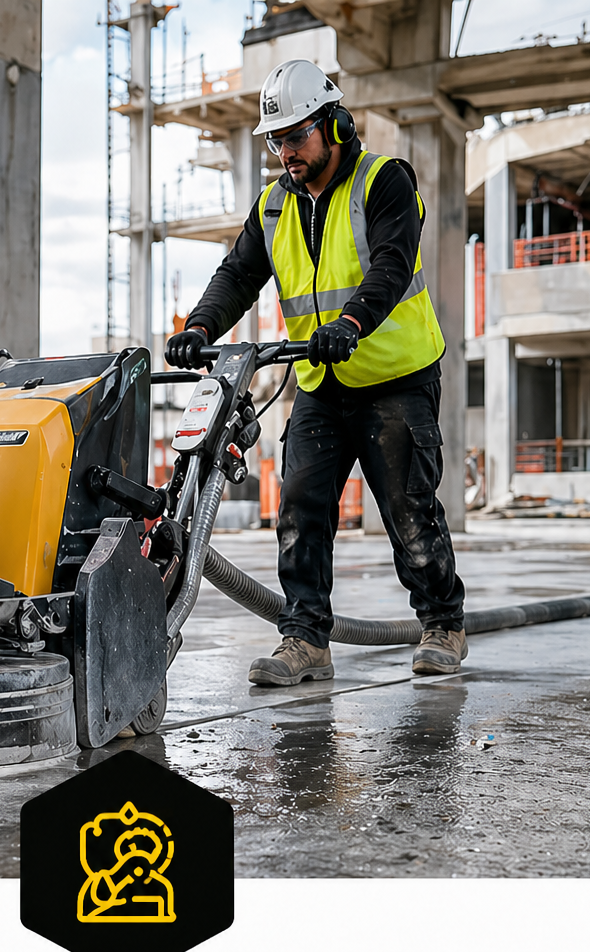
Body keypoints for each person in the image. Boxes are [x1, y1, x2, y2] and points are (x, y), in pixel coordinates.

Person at [165, 59, 467, 684]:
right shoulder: (274, 205)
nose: (284, 152)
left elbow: (390, 263)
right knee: (300, 506)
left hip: (394, 377)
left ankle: (443, 622)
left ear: (332, 124)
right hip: (319, 383)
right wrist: (199, 327)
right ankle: (305, 638)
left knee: (409, 510)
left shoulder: (384, 180)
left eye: (295, 136)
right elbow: (239, 275)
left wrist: (352, 323)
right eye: (276, 140)